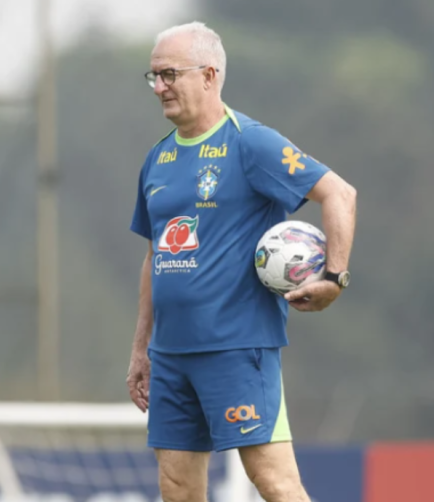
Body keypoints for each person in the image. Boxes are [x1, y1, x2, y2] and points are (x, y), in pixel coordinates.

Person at [126, 21, 357, 502]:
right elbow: (155, 255)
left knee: (273, 482)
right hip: (170, 355)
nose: (160, 88)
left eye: (169, 74)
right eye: (154, 77)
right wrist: (141, 347)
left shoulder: (250, 142)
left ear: (209, 75)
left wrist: (334, 277)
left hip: (237, 347)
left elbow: (339, 193)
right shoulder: (157, 160)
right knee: (176, 487)